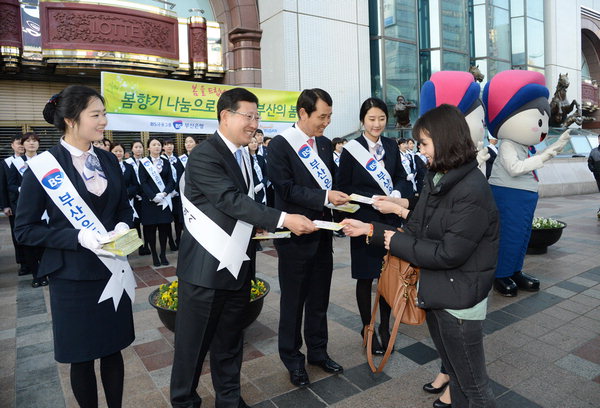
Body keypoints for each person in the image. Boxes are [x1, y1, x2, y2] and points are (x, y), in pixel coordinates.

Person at [342, 104, 499, 408]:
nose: (419, 150)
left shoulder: (471, 188)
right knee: (455, 370)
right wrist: (369, 230)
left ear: (444, 140)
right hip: (439, 292)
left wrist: (391, 240)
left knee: (474, 386)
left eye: (424, 143)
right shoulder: (437, 177)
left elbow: (449, 253)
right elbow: (415, 226)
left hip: (460, 300)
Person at [169, 87, 315, 408]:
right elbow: (229, 200)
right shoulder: (205, 154)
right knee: (192, 350)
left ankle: (230, 400)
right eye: (248, 116)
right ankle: (184, 402)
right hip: (206, 272)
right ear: (225, 116)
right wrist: (284, 218)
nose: (254, 123)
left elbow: (244, 206)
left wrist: (263, 222)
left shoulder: (244, 154)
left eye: (256, 116)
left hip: (238, 266)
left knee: (230, 343)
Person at [15, 85, 135, 408]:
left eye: (104, 114)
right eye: (96, 115)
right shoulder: (44, 166)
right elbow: (24, 229)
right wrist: (77, 237)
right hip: (72, 279)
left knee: (113, 350)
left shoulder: (109, 160)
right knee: (81, 358)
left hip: (112, 272)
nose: (104, 121)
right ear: (71, 120)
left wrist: (123, 225)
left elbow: (122, 207)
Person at [267, 88, 350, 388]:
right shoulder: (279, 146)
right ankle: (292, 359)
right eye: (321, 116)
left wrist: (342, 200)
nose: (326, 122)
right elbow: (285, 189)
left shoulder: (326, 145)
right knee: (293, 303)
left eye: (329, 116)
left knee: (319, 301)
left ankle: (318, 352)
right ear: (303, 113)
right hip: (293, 238)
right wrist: (325, 196)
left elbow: (334, 182)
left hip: (322, 236)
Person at [337, 97, 407, 356]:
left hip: (389, 221)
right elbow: (343, 185)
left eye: (381, 118)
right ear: (362, 120)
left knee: (387, 277)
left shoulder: (391, 145)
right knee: (366, 277)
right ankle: (367, 328)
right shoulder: (352, 149)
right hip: (363, 222)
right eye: (371, 119)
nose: (376, 124)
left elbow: (401, 176)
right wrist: (369, 198)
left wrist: (396, 193)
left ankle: (386, 327)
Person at [8, 132, 45, 287]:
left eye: (34, 141)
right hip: (25, 207)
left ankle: (44, 273)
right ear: (22, 145)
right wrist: (22, 189)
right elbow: (10, 184)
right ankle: (36, 275)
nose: (31, 144)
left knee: (44, 242)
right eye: (28, 141)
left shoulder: (45, 160)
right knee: (29, 243)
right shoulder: (16, 163)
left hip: (44, 208)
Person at [138, 137, 175, 267]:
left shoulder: (165, 161)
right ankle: (154, 254)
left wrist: (164, 193)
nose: (157, 147)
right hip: (150, 202)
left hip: (164, 200)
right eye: (154, 145)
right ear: (148, 148)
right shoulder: (144, 163)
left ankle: (163, 254)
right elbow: (143, 182)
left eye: (159, 144)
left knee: (164, 228)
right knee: (151, 230)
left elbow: (171, 181)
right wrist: (153, 196)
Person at [2, 135, 26, 274]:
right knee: (17, 235)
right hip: (14, 205)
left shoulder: (34, 160)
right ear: (12, 145)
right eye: (19, 143)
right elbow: (3, 186)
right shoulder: (6, 162)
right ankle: (23, 263)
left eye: (23, 143)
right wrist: (5, 205)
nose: (21, 146)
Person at [126, 140, 150, 255]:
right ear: (132, 149)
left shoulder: (147, 162)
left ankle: (147, 245)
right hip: (134, 197)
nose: (139, 149)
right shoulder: (128, 163)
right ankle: (140, 245)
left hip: (146, 195)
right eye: (136, 147)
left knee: (146, 222)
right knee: (136, 223)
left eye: (140, 147)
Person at [162, 138, 185, 250]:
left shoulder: (178, 159)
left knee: (178, 219)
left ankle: (178, 239)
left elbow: (181, 176)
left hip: (177, 194)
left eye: (171, 144)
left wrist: (176, 190)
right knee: (167, 220)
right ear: (163, 147)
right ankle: (170, 240)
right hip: (165, 195)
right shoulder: (161, 160)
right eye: (166, 144)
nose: (169, 146)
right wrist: (168, 191)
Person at [111, 143, 140, 219]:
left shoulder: (129, 167)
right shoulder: (107, 167)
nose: (118, 153)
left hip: (128, 200)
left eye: (120, 151)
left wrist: (127, 192)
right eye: (115, 151)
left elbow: (135, 185)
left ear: (124, 153)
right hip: (113, 202)